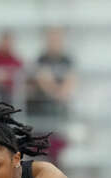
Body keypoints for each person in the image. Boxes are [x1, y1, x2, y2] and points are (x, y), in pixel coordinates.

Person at [28, 26, 77, 164]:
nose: (54, 41)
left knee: (61, 135)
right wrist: (56, 93)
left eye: (57, 38)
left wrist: (61, 93)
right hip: (42, 105)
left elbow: (71, 79)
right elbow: (43, 79)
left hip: (60, 105)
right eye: (52, 38)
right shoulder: (41, 58)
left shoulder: (67, 59)